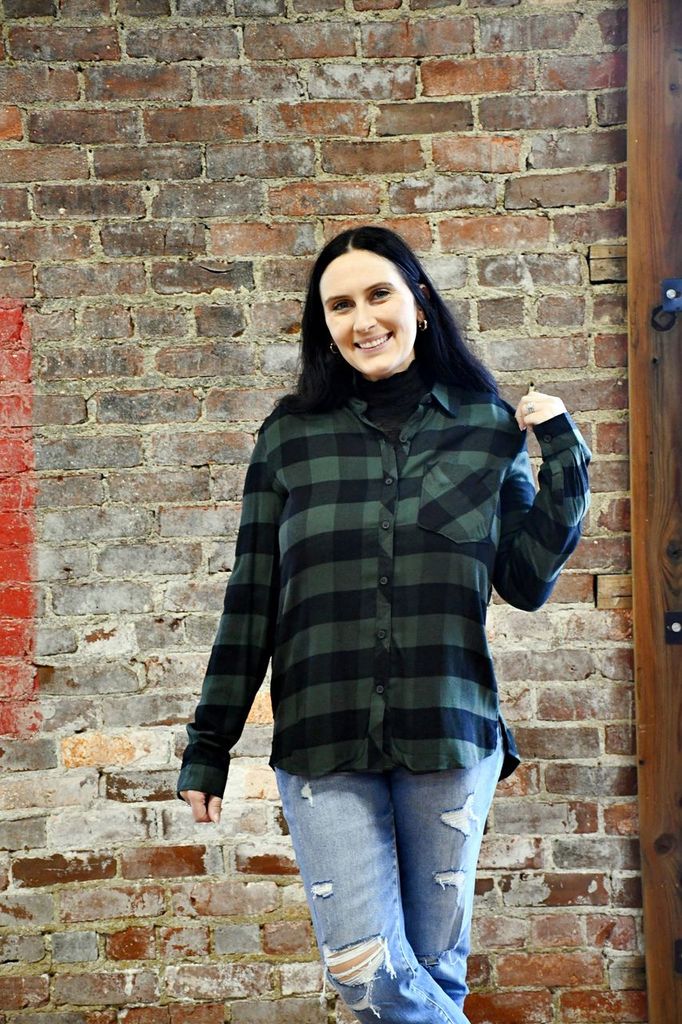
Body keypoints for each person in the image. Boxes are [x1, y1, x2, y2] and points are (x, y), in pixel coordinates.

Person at [177, 225, 591, 1023]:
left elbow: (525, 583)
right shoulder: (290, 437)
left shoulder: (486, 427)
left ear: (419, 303)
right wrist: (209, 744)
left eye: (378, 294)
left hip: (449, 734)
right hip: (321, 738)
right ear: (323, 324)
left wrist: (563, 454)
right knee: (363, 969)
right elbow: (251, 595)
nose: (362, 319)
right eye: (339, 305)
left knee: (434, 970)